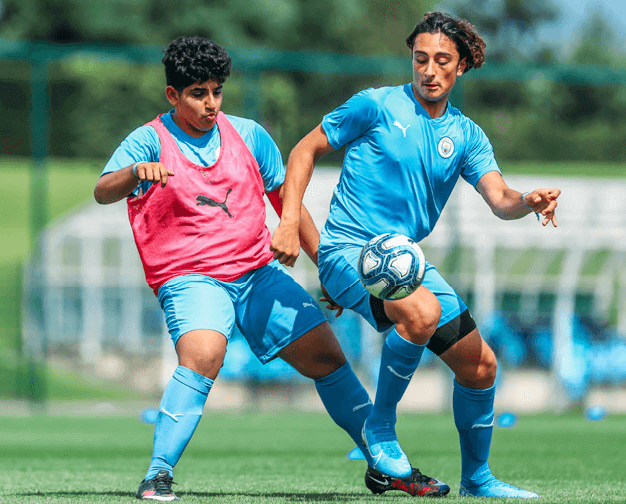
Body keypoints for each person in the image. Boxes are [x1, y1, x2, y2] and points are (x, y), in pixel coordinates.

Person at [94, 36, 449, 501]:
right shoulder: (149, 140)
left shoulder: (248, 135)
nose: (211, 103)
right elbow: (103, 190)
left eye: (217, 91)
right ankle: (158, 475)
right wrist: (135, 172)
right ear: (172, 95)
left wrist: (326, 268)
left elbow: (288, 204)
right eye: (198, 94)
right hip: (190, 277)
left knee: (327, 357)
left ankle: (385, 465)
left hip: (256, 273)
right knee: (203, 355)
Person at [271, 11, 560, 499]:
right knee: (421, 312)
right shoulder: (374, 105)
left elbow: (500, 199)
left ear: (461, 67)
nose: (429, 70)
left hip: (402, 263)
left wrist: (527, 202)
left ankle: (478, 479)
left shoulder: (466, 135)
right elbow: (303, 151)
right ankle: (380, 427)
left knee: (481, 367)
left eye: (442, 61)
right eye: (420, 58)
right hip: (346, 252)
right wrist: (288, 223)